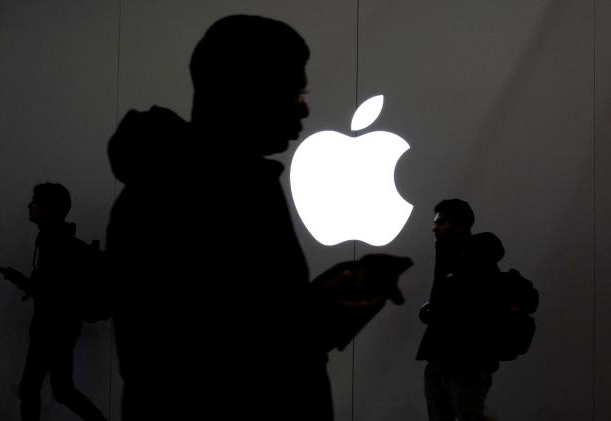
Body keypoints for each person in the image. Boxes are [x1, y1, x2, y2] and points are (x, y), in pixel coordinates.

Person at [106, 14, 409, 421]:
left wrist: (320, 303)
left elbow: (245, 323)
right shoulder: (189, 193)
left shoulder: (215, 182)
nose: (304, 106)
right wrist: (317, 317)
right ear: (246, 92)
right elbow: (202, 364)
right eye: (292, 90)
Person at [0, 183, 107, 421]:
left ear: (49, 208)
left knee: (33, 389)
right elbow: (51, 290)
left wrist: (23, 282)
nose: (30, 205)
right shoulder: (53, 240)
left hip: (51, 328)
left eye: (35, 200)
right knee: (62, 390)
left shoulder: (54, 243)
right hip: (61, 328)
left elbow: (51, 292)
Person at [416, 199, 505, 421]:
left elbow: (477, 308)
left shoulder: (478, 260)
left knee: (469, 415)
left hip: (467, 358)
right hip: (440, 355)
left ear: (460, 225)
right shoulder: (447, 256)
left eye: (441, 222)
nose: (434, 227)